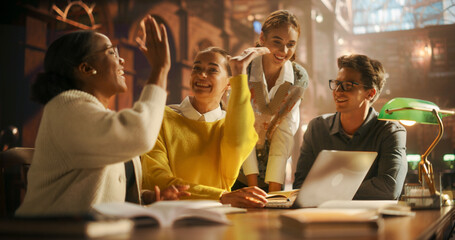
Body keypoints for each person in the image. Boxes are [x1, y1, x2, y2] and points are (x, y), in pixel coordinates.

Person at [16, 16, 189, 217]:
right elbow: (140, 135)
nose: (121, 59)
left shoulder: (96, 115)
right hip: (53, 233)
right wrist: (160, 70)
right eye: (111, 52)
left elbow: (107, 189)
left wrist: (146, 198)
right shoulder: (65, 107)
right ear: (86, 68)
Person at [141, 46, 271, 208]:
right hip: (169, 215)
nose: (202, 75)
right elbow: (158, 180)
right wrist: (220, 196)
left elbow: (238, 142)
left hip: (219, 217)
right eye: (197, 68)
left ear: (229, 83)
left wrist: (239, 74)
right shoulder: (161, 117)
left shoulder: (229, 125)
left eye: (212, 70)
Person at [293, 54, 407, 200]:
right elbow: (301, 186)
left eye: (348, 86)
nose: (338, 91)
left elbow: (389, 187)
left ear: (370, 93)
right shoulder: (317, 128)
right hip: (324, 217)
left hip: (372, 219)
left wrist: (324, 190)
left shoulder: (390, 132)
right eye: (336, 83)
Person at [233, 10, 309, 192]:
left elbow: (284, 132)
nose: (284, 51)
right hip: (237, 172)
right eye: (277, 42)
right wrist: (253, 187)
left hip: (273, 177)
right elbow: (240, 128)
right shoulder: (244, 69)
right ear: (262, 38)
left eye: (291, 44)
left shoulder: (298, 77)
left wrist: (274, 193)